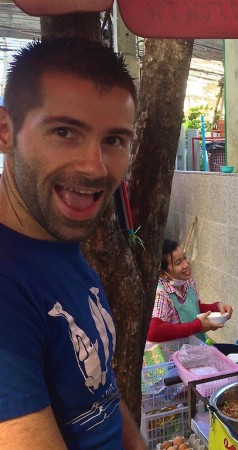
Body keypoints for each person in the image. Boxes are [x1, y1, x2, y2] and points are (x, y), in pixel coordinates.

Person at [0, 38, 146, 449]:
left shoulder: (55, 246)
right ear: (5, 131)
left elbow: (99, 394)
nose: (94, 166)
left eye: (114, 140)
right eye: (64, 131)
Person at [146, 239, 238, 355]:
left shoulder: (187, 281)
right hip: (175, 357)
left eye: (185, 257)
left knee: (237, 351)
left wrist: (216, 307)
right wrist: (197, 326)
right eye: (178, 263)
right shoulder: (160, 293)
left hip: (196, 346)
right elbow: (153, 331)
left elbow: (193, 307)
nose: (186, 264)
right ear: (162, 273)